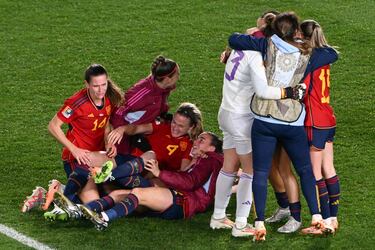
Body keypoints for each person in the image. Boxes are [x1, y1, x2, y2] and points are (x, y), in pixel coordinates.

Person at [227, 12, 339, 241]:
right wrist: (305, 42)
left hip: (264, 121)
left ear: (274, 30)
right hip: (292, 123)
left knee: (260, 171)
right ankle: (316, 215)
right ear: (296, 31)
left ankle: (259, 223)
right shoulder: (308, 53)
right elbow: (332, 54)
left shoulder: (264, 44)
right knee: (305, 170)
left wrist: (258, 35)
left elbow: (233, 39)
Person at [210, 12, 306, 238]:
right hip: (241, 119)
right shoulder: (255, 56)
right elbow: (263, 91)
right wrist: (289, 92)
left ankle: (218, 216)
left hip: (225, 113)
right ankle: (241, 224)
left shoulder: (237, 50)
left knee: (228, 167)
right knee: (250, 172)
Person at [54, 132, 224, 230]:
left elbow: (189, 183)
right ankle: (77, 210)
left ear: (212, 148)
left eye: (202, 140)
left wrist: (159, 173)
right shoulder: (205, 161)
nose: (196, 141)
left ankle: (103, 217)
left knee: (137, 192)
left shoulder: (210, 159)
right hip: (177, 197)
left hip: (183, 201)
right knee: (118, 193)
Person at [41, 64, 123, 217]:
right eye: (96, 86)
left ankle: (63, 189)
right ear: (87, 84)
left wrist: (108, 143)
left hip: (98, 157)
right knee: (95, 206)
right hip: (78, 159)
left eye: (104, 84)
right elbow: (53, 126)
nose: (101, 90)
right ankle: (60, 190)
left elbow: (105, 125)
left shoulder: (108, 99)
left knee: (121, 169)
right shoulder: (77, 102)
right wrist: (74, 149)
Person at [299, 20, 340, 235]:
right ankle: (333, 218)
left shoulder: (310, 62)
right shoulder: (324, 59)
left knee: (315, 173)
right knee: (329, 169)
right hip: (328, 118)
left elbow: (302, 92)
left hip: (314, 121)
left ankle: (322, 223)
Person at [111, 55, 180, 156]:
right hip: (128, 131)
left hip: (144, 127)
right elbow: (119, 110)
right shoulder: (143, 92)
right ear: (167, 79)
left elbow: (160, 105)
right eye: (177, 74)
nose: (179, 77)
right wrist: (121, 139)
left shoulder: (165, 87)